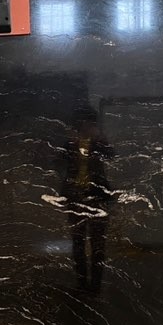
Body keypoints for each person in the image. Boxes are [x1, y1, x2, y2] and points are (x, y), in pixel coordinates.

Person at [60, 106, 114, 293]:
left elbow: (111, 155)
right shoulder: (71, 142)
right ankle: (82, 284)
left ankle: (95, 286)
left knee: (98, 244)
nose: (85, 125)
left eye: (89, 122)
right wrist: (70, 144)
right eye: (82, 122)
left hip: (97, 197)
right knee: (78, 243)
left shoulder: (98, 142)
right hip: (75, 196)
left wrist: (101, 140)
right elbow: (58, 161)